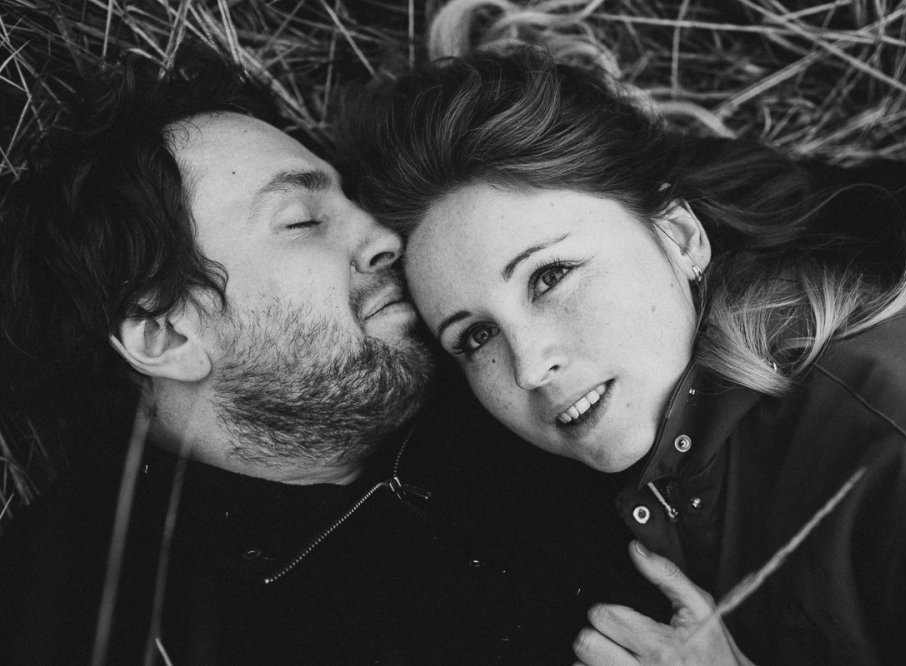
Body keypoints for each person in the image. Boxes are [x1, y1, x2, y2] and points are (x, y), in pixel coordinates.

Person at [0, 45, 668, 664]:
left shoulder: (507, 375)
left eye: (354, 199)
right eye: (302, 221)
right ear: (166, 336)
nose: (385, 237)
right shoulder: (70, 614)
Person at [338, 47, 906, 665]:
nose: (530, 367)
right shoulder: (638, 451)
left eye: (550, 277)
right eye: (476, 337)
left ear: (681, 238)